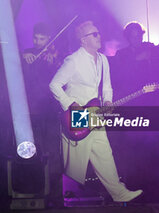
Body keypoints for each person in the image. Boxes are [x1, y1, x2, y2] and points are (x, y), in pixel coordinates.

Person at [49, 21, 142, 202]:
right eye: (95, 34)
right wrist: (70, 103)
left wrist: (107, 100)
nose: (99, 37)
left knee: (104, 154)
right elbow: (54, 85)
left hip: (96, 114)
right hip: (77, 116)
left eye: (98, 33)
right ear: (84, 40)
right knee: (75, 162)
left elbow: (106, 85)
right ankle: (67, 199)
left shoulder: (102, 59)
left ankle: (119, 194)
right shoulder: (73, 60)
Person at [21, 23, 63, 207]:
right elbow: (15, 62)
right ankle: (35, 189)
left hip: (51, 109)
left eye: (42, 39)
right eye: (35, 38)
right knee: (33, 149)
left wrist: (53, 62)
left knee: (53, 151)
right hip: (33, 110)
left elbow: (61, 76)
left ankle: (55, 194)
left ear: (49, 39)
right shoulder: (28, 52)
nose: (38, 42)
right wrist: (24, 57)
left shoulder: (56, 55)